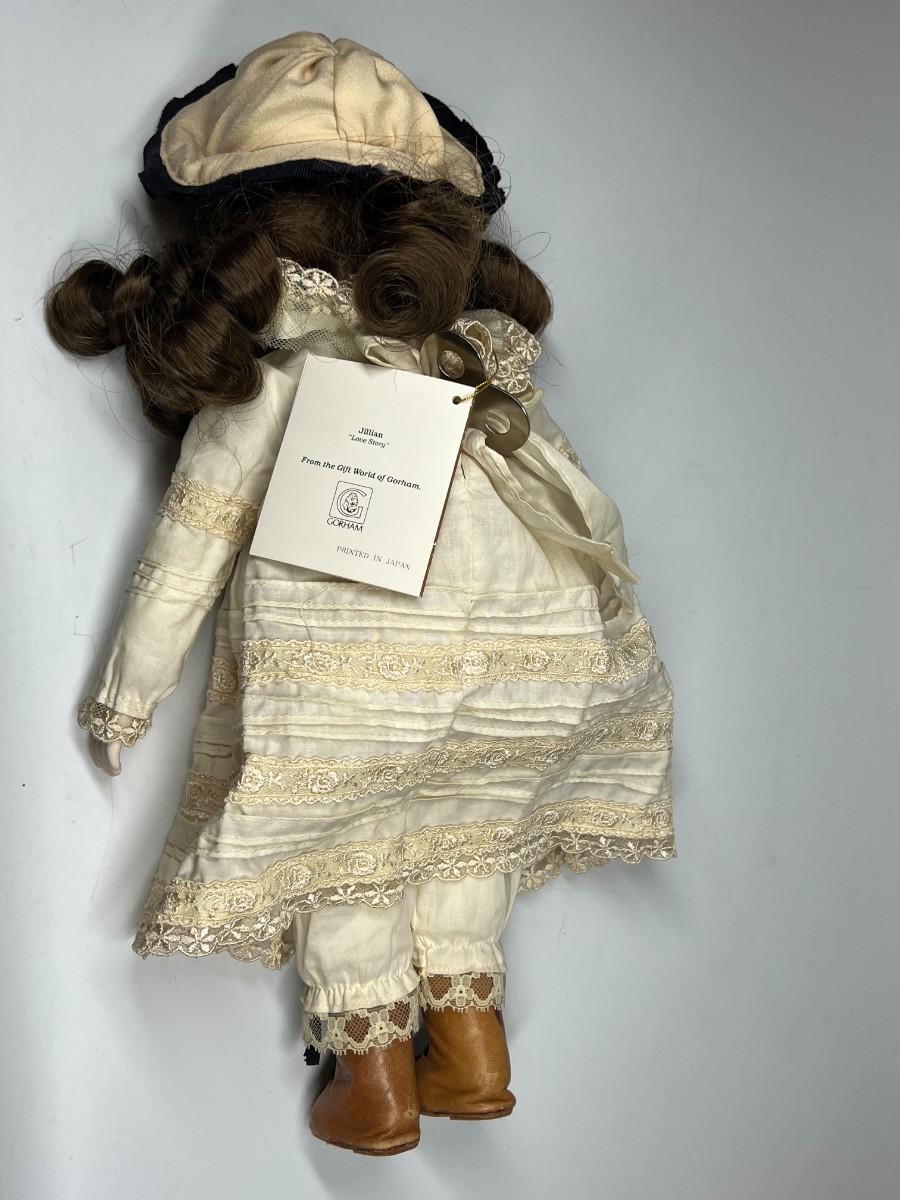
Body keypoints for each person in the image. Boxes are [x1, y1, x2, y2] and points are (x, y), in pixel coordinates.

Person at [46, 31, 677, 1156]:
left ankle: (374, 1078)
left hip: (349, 686)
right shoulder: (468, 366)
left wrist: (127, 694)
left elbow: (191, 545)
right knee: (465, 829)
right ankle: (471, 1049)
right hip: (520, 667)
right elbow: (565, 502)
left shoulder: (275, 384)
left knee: (346, 846)